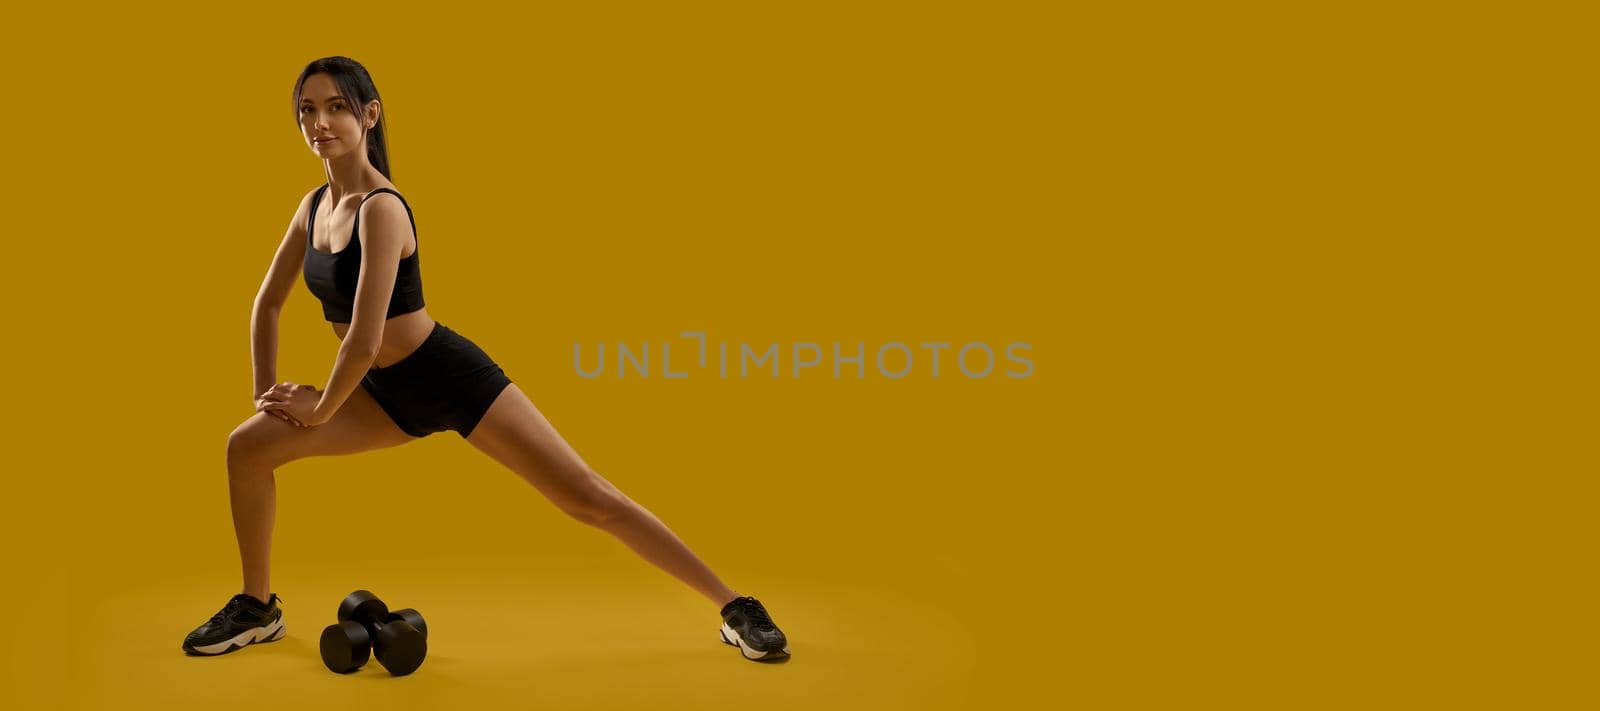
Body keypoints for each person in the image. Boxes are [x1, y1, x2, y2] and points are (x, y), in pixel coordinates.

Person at [181, 56, 789, 663]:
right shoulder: (312, 206)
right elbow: (266, 305)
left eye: (337, 107)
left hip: (446, 375)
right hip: (377, 393)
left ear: (369, 116)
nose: (321, 122)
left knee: (589, 498)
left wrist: (317, 412)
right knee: (248, 447)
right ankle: (257, 608)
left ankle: (735, 606)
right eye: (307, 110)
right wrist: (267, 397)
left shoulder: (382, 208)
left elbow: (364, 338)